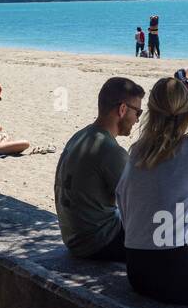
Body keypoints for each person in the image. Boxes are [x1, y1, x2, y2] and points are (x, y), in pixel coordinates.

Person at [116, 76, 188, 304]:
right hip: (176, 273)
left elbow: (122, 201)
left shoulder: (137, 150)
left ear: (151, 113)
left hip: (137, 271)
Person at [54, 77, 145, 260]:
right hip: (98, 243)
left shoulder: (80, 136)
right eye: (138, 112)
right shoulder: (110, 151)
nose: (137, 120)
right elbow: (140, 206)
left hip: (73, 237)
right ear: (122, 109)